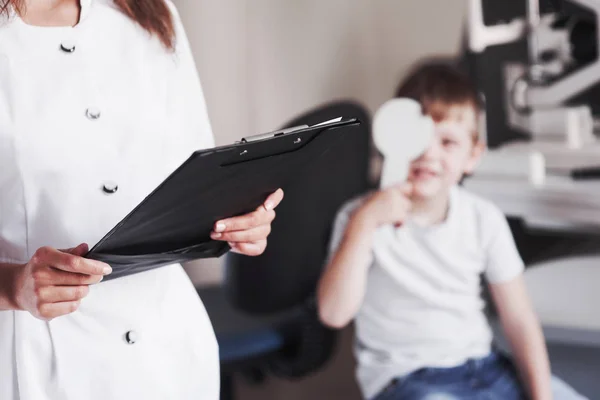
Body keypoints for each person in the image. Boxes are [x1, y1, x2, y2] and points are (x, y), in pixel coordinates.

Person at [0, 0, 283, 399]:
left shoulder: (149, 11)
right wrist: (13, 287)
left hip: (168, 351)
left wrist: (240, 222)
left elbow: (194, 177)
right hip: (35, 360)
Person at [317, 62, 586, 400]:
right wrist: (365, 224)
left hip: (486, 369)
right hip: (408, 380)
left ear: (472, 157)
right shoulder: (357, 217)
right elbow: (333, 313)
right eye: (418, 137)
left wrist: (541, 395)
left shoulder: (483, 218)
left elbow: (519, 319)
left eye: (447, 142)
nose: (429, 153)